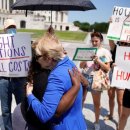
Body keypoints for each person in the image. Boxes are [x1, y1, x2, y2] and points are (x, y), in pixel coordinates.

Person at [25, 32, 87, 130]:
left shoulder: (56, 76)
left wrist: (29, 95)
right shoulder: (70, 63)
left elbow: (44, 114)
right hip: (78, 124)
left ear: (48, 58)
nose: (36, 60)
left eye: (37, 57)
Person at [80, 32, 112, 130]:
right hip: (85, 76)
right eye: (92, 41)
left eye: (96, 41)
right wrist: (85, 60)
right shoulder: (87, 50)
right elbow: (81, 66)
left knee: (96, 103)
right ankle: (79, 119)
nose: (94, 43)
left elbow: (107, 68)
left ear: (101, 40)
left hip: (97, 78)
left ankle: (97, 122)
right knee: (81, 100)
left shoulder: (105, 52)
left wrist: (98, 60)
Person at [0, 18, 27, 130]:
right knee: (5, 109)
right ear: (4, 30)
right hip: (4, 80)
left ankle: (22, 127)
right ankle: (8, 128)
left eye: (13, 27)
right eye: (9, 28)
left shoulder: (22, 41)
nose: (12, 30)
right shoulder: (1, 43)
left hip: (19, 80)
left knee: (22, 107)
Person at [104, 40, 125, 123]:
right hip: (113, 74)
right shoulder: (116, 47)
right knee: (111, 96)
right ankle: (111, 114)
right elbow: (110, 39)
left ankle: (120, 122)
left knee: (120, 101)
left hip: (123, 76)